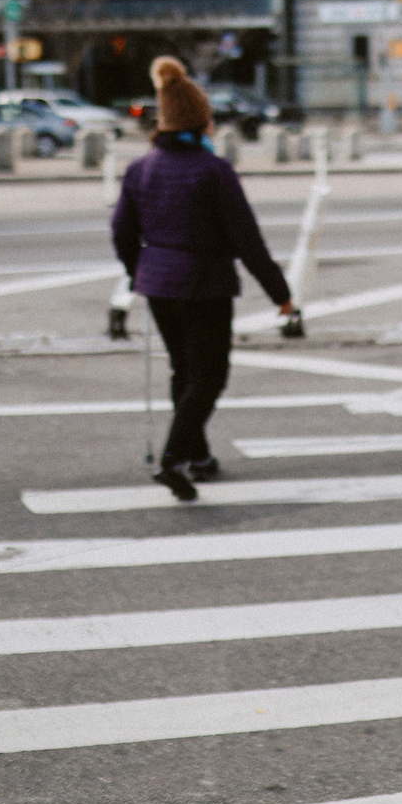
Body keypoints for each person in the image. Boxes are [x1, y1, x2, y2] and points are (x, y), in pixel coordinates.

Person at [111, 57, 294, 500]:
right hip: (206, 284)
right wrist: (280, 294)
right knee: (209, 377)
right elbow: (247, 239)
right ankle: (173, 459)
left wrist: (142, 273)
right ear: (201, 121)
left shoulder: (140, 169)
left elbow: (121, 232)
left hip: (159, 284)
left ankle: (199, 456)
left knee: (183, 371)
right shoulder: (214, 171)